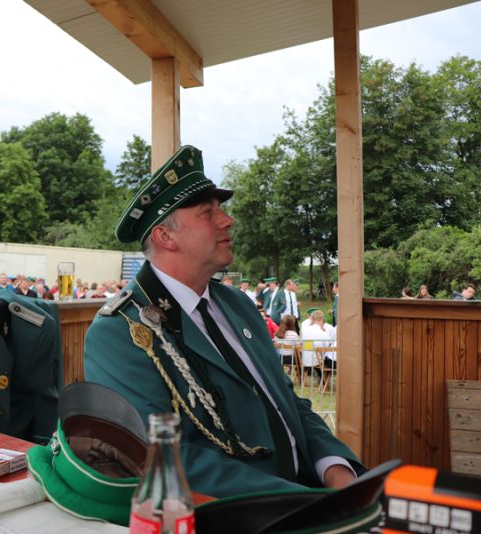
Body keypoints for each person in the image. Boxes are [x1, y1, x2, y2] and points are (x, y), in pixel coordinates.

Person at [85, 146, 361, 498]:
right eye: (207, 212)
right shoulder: (119, 331)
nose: (226, 220)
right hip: (241, 512)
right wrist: (301, 502)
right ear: (165, 237)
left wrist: (337, 469)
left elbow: (287, 402)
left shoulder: (238, 304)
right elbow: (158, 455)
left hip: (313, 491)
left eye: (221, 209)